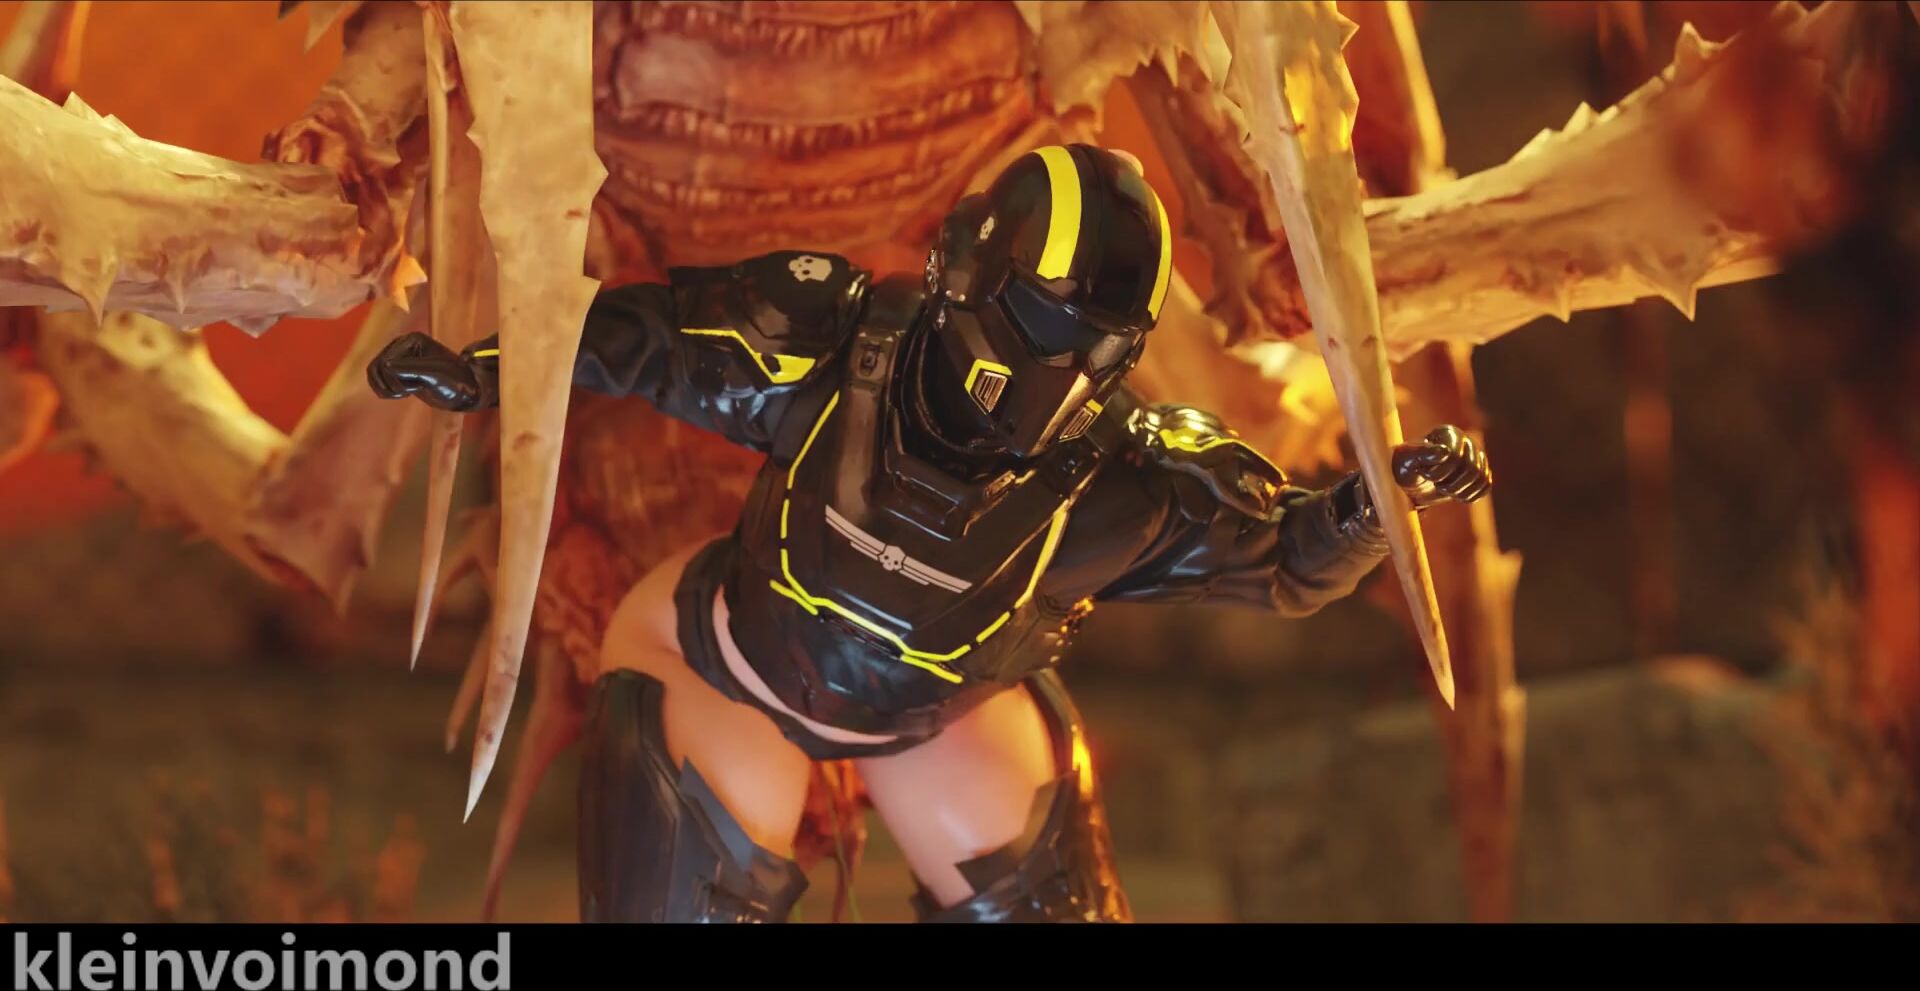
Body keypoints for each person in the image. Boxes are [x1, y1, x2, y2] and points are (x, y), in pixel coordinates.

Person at [368, 144, 1492, 923]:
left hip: (944, 719)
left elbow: (1285, 559)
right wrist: (486, 368)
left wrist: (1369, 509)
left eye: (1093, 349)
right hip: (727, 663)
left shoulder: (1125, 478)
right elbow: (642, 338)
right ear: (960, 272)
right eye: (1039, 329)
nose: (1056, 375)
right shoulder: (825, 336)